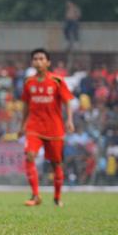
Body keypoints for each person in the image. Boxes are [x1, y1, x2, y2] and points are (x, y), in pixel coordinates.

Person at [19, 48, 74, 207]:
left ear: (48, 62)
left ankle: (57, 197)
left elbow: (68, 101)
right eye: (35, 59)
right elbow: (26, 105)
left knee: (56, 163)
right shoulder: (29, 82)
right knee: (29, 156)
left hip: (54, 128)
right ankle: (36, 196)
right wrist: (22, 125)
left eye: (41, 58)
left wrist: (69, 120)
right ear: (32, 62)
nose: (38, 61)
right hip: (34, 126)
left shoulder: (57, 81)